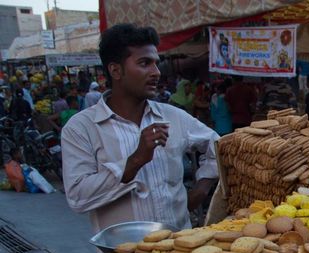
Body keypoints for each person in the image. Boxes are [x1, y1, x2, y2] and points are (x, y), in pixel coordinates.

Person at [61, 23, 219, 232]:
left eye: (156, 63)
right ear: (116, 70)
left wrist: (200, 190)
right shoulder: (81, 128)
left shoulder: (174, 116)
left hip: (178, 252)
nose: (156, 72)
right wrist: (135, 161)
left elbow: (219, 146)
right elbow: (78, 197)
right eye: (145, 63)